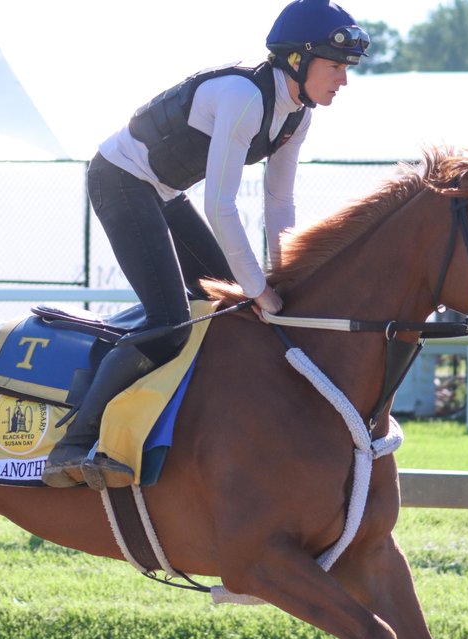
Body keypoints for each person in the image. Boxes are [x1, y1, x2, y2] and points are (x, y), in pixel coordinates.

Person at [42, 0, 370, 490]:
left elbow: (280, 202)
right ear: (297, 60)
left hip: (163, 192)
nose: (343, 80)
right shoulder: (244, 97)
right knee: (171, 321)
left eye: (347, 68)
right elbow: (222, 207)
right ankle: (73, 441)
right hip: (120, 181)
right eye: (336, 65)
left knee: (227, 309)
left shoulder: (298, 117)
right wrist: (259, 287)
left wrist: (283, 279)